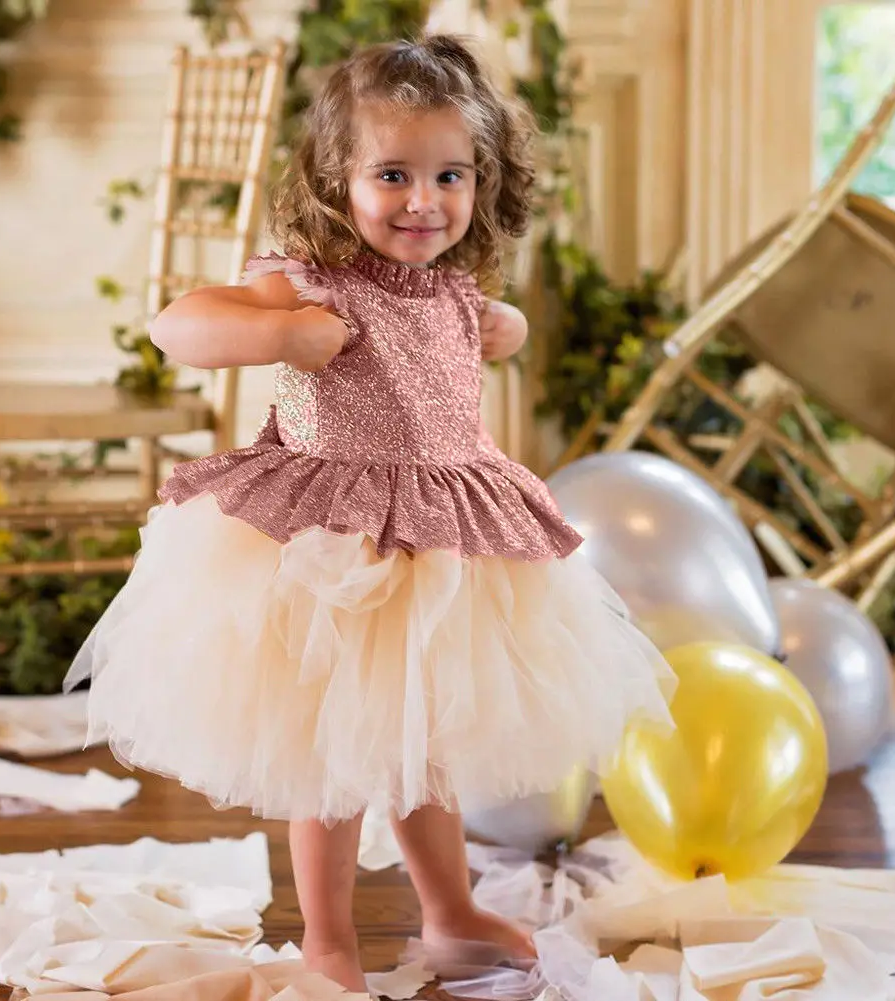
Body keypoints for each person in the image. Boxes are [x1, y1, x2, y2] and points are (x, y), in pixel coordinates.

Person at [65, 33, 675, 994]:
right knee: (332, 758)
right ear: (336, 180)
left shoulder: (456, 294)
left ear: (481, 182)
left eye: (448, 176)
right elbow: (175, 324)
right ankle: (327, 938)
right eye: (392, 175)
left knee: (424, 747)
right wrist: (279, 332)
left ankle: (450, 911)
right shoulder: (312, 283)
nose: (422, 200)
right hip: (331, 557)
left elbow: (479, 343)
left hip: (439, 556)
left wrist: (504, 326)